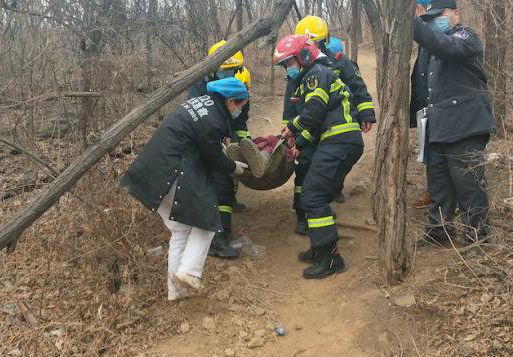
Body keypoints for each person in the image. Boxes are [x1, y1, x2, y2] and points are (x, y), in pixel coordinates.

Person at [121, 78, 249, 300]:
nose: (240, 110)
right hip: (172, 170)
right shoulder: (214, 120)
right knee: (209, 222)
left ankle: (176, 293)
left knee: (181, 230)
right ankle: (189, 272)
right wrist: (233, 167)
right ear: (230, 102)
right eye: (240, 105)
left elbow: (199, 138)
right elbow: (213, 157)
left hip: (153, 169)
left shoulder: (202, 104)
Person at [274, 34, 364, 278]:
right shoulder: (311, 77)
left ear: (303, 57)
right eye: (284, 66)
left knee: (312, 195)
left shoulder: (315, 74)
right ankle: (318, 247)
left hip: (339, 140)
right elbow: (316, 122)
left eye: (288, 63)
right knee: (316, 194)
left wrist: (292, 128)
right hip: (336, 140)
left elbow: (313, 112)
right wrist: (300, 144)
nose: (287, 70)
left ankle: (330, 257)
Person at [412, 0, 495, 246]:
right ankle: (439, 232)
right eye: (429, 19)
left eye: (439, 16)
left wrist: (414, 23)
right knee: (438, 186)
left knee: (469, 186)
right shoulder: (433, 52)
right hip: (439, 127)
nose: (435, 22)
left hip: (465, 126)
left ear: (456, 13)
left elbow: (445, 46)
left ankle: (478, 238)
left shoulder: (466, 37)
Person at [188, 41, 251, 258]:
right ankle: (217, 238)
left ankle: (223, 222)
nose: (230, 74)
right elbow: (200, 123)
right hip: (204, 138)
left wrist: (243, 144)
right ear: (214, 67)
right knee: (220, 179)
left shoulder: (239, 84)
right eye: (225, 70)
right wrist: (221, 151)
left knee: (227, 178)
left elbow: (240, 121)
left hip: (221, 134)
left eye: (233, 70)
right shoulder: (199, 86)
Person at [411, 0, 436, 209]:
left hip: (435, 106)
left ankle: (437, 193)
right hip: (424, 107)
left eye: (418, 8)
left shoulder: (434, 35)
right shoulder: (424, 38)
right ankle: (433, 190)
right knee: (427, 149)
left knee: (436, 150)